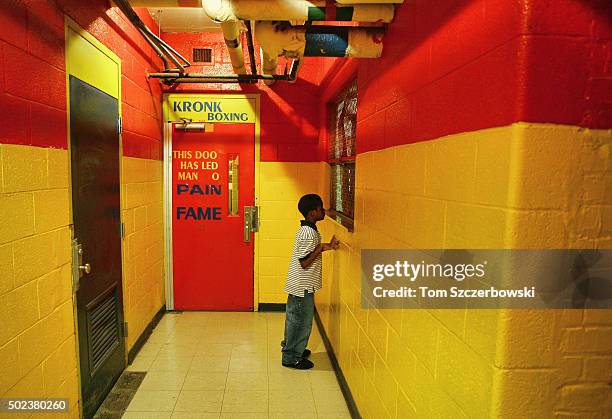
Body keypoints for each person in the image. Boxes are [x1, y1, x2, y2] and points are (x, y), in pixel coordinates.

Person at [281, 194, 340, 369]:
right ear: (312, 212)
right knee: (301, 321)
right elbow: (305, 262)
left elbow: (308, 254)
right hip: (302, 285)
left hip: (300, 283)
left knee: (294, 318)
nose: (324, 211)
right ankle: (291, 357)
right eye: (321, 208)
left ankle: (291, 347)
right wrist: (321, 247)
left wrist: (325, 246)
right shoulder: (308, 233)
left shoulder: (308, 229)